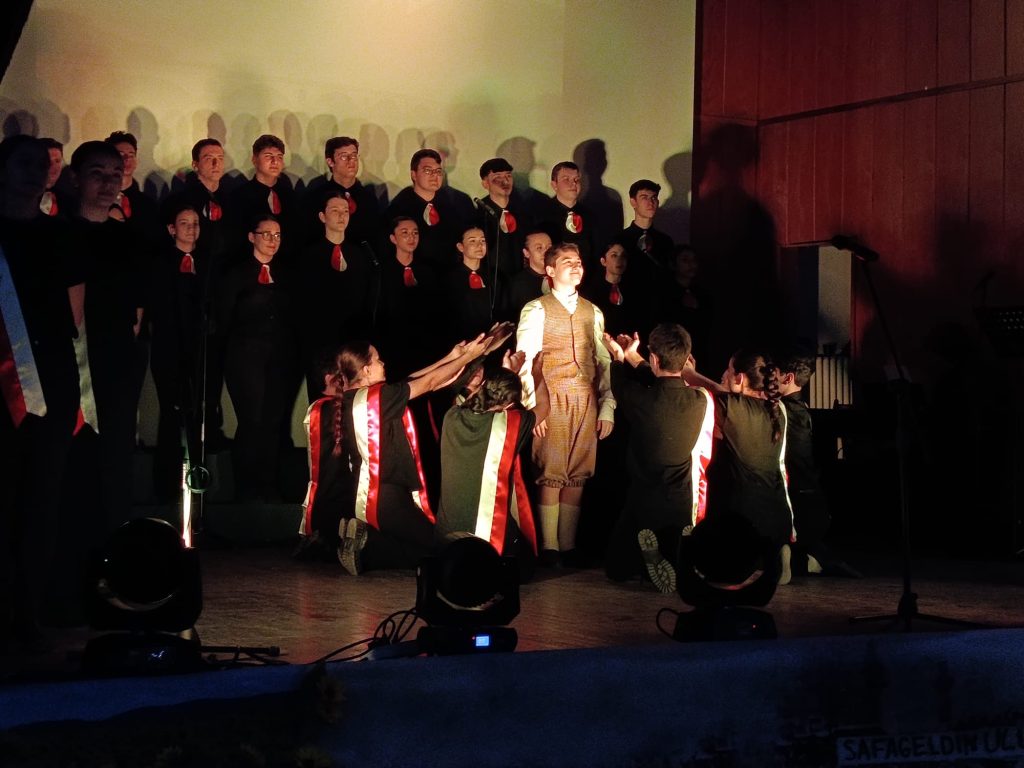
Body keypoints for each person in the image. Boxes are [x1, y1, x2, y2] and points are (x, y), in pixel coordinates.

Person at [0, 135, 83, 652]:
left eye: (41, 164)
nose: (34, 172)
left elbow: (73, 316)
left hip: (50, 383)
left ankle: (27, 612)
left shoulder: (60, 235)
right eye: (23, 163)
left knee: (40, 501)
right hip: (0, 383)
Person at [333, 331, 498, 574]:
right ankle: (369, 547)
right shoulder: (381, 398)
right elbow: (428, 383)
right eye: (377, 360)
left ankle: (368, 541)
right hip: (384, 497)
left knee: (426, 546)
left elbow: (413, 379)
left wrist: (451, 357)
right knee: (439, 549)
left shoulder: (357, 398)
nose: (383, 363)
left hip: (370, 493)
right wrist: (468, 357)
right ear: (366, 370)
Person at [516, 242, 615, 566]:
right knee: (552, 471)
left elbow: (603, 362)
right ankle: (550, 548)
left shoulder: (593, 311)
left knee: (578, 473)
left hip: (585, 399)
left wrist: (606, 406)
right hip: (552, 398)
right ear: (550, 270)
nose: (576, 266)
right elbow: (526, 361)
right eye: (567, 262)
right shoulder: (537, 309)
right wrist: (535, 408)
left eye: (578, 262)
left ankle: (569, 546)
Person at [600, 325, 714, 593]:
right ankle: (674, 560)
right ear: (687, 360)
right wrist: (633, 356)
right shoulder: (699, 399)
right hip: (680, 502)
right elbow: (665, 382)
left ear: (653, 359)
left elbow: (622, 383)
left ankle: (645, 562)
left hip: (643, 501)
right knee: (675, 550)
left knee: (616, 569)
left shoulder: (641, 398)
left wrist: (619, 357)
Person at [682, 349, 796, 584]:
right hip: (778, 517)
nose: (724, 375)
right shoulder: (778, 410)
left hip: (745, 518)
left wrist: (689, 373)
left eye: (729, 370)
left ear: (740, 378)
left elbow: (713, 392)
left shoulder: (731, 407)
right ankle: (775, 552)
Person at [435, 352, 548, 579]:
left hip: (445, 539)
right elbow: (544, 406)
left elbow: (476, 400)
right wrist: (537, 373)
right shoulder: (512, 423)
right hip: (486, 537)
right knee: (526, 566)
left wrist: (506, 374)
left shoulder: (451, 415)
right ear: (509, 404)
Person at [216, 214, 296, 501]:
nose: (273, 241)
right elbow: (223, 319)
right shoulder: (236, 274)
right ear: (252, 237)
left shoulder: (286, 274)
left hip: (278, 358)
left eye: (277, 235)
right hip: (245, 358)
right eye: (266, 235)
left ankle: (268, 486)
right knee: (252, 420)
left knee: (273, 421)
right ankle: (247, 488)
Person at [775, 349, 861, 578]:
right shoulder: (802, 409)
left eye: (776, 373)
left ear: (788, 377)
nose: (771, 378)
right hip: (809, 491)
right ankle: (814, 558)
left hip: (798, 494)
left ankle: (811, 558)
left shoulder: (784, 410)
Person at [148, 202, 211, 500]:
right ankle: (166, 487)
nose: (191, 229)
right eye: (184, 223)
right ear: (172, 229)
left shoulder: (207, 263)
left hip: (199, 350)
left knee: (198, 412)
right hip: (168, 348)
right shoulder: (160, 263)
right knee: (171, 413)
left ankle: (198, 484)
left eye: (195, 223)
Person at [297, 190, 376, 402]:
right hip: (321, 345)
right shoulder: (309, 256)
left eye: (345, 211)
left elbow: (366, 300)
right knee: (324, 403)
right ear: (322, 216)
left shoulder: (360, 255)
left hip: (352, 345)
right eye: (335, 211)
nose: (342, 216)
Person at [385, 149, 464, 273]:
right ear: (414, 175)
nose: (434, 176)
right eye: (428, 171)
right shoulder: (399, 207)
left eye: (438, 171)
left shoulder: (451, 205)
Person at [300, 136, 382, 248]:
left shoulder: (368, 198)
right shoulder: (316, 197)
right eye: (343, 156)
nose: (351, 161)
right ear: (330, 162)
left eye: (354, 155)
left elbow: (375, 237)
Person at [228, 135, 297, 263]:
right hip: (250, 263)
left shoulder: (291, 196)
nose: (275, 162)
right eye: (268, 156)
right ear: (254, 160)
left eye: (279, 157)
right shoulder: (239, 196)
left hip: (287, 264)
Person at [476, 157, 527, 287]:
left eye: (508, 176)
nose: (505, 181)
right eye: (497, 177)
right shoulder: (479, 214)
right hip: (490, 281)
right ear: (485, 184)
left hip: (521, 280)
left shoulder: (524, 210)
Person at [441, 225, 496, 345]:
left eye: (483, 241)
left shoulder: (495, 276)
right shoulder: (448, 279)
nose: (479, 245)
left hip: (491, 341)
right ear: (460, 247)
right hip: (461, 343)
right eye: (472, 241)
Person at [536, 161, 594, 267]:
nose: (573, 184)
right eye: (566, 179)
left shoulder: (589, 215)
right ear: (554, 185)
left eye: (576, 179)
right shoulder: (542, 215)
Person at [505, 227, 552, 318]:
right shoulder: (516, 284)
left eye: (549, 247)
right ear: (526, 253)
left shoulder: (561, 277)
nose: (546, 252)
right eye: (539, 248)